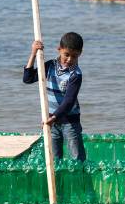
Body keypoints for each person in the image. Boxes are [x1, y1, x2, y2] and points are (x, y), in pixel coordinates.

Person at [23, 32, 86, 161]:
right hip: (51, 121)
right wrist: (34, 53)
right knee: (54, 159)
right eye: (66, 55)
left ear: (80, 54)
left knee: (77, 158)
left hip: (69, 121)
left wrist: (55, 117)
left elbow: (69, 101)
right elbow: (27, 78)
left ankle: (80, 179)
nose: (69, 59)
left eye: (74, 56)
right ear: (59, 50)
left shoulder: (75, 74)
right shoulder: (50, 65)